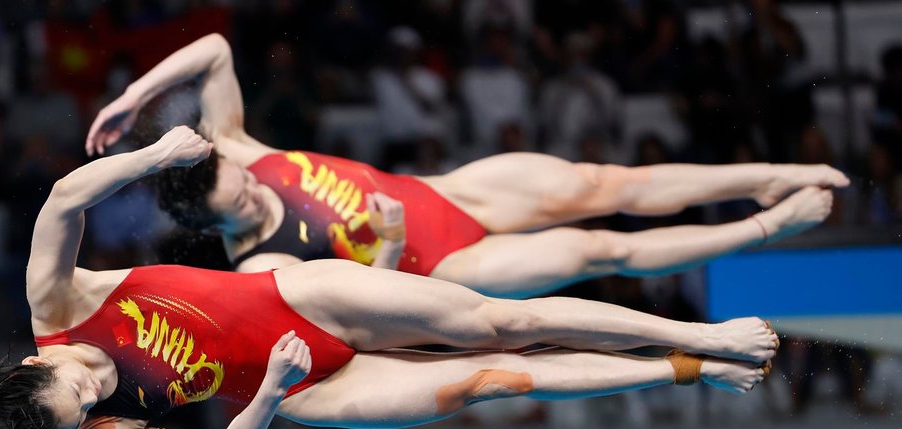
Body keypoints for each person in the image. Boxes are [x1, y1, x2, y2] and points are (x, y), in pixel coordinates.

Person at [0, 125, 777, 429]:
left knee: (505, 321)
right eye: (85, 412)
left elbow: (64, 196)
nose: (97, 396)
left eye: (80, 388)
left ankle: (704, 332)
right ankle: (687, 367)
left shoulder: (58, 302)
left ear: (43, 360)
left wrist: (153, 156)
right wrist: (272, 395)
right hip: (305, 388)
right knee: (490, 377)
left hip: (304, 300)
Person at [85, 33, 847, 298]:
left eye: (243, 175)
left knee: (600, 184)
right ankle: (762, 228)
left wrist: (134, 96)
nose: (252, 187)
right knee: (601, 249)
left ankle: (766, 174)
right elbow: (364, 316)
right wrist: (382, 253)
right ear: (209, 221)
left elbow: (214, 51)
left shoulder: (242, 150)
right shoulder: (259, 270)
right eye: (238, 198)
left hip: (450, 192)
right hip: (451, 265)